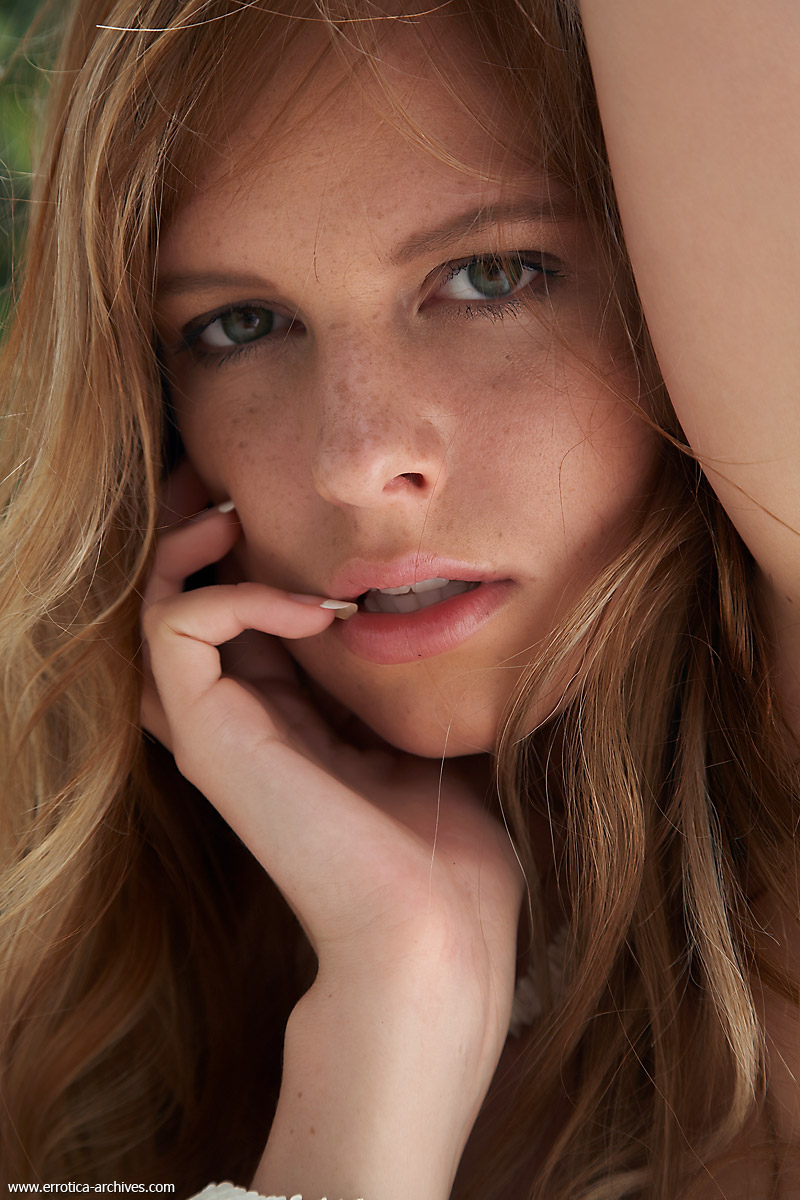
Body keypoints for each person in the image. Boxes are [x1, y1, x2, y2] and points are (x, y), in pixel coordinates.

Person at [2, 0, 800, 1195]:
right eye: (239, 325)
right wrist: (400, 991)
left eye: (489, 275)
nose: (353, 460)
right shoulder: (88, 1000)